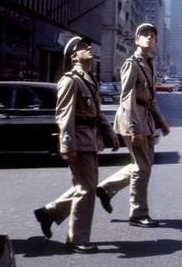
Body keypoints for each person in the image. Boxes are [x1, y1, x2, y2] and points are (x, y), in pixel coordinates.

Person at [34, 36, 119, 254]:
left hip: (90, 141)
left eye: (88, 45)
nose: (88, 48)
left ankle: (50, 213)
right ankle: (77, 238)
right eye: (83, 47)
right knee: (86, 189)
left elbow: (97, 114)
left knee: (86, 187)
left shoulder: (90, 78)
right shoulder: (70, 80)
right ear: (73, 56)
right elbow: (64, 115)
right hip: (79, 141)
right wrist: (67, 145)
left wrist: (110, 135)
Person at [95, 23, 170, 227]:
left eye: (152, 35)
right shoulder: (131, 63)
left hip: (144, 118)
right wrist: (134, 128)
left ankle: (106, 189)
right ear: (136, 40)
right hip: (132, 118)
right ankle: (138, 213)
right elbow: (126, 97)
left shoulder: (151, 63)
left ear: (156, 42)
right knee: (142, 168)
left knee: (142, 165)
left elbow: (150, 98)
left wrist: (162, 123)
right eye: (144, 34)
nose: (148, 37)